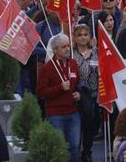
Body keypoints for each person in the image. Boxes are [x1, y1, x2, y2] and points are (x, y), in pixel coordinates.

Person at [37, 34, 81, 162]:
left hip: (73, 112)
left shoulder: (73, 63)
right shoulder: (47, 68)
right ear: (55, 50)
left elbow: (78, 83)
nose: (68, 49)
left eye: (68, 46)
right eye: (64, 47)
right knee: (59, 148)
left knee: (74, 146)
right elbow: (40, 92)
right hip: (55, 114)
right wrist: (59, 87)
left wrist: (79, 93)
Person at [72, 24, 99, 162]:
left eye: (85, 34)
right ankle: (75, 153)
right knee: (78, 127)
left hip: (94, 96)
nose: (83, 37)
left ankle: (87, 152)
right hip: (77, 97)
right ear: (75, 38)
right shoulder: (71, 54)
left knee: (91, 127)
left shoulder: (96, 52)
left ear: (89, 36)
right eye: (79, 35)